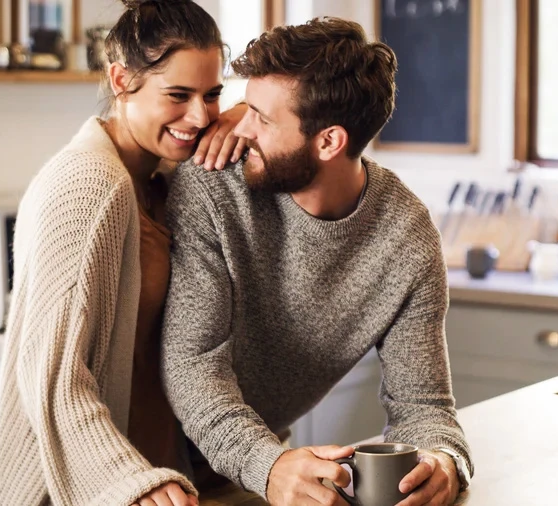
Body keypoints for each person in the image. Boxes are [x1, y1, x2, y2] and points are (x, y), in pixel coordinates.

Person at [161, 16, 473, 506]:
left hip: (244, 473)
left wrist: (443, 460)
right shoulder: (212, 184)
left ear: (329, 141)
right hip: (148, 464)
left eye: (261, 118)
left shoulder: (406, 239)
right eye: (246, 105)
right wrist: (268, 464)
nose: (236, 127)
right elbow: (193, 363)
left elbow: (423, 403)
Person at [0, 1, 248, 504]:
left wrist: (248, 118)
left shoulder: (162, 180)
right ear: (121, 80)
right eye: (178, 95)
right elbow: (52, 378)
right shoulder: (88, 186)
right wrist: (129, 480)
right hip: (63, 490)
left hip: (152, 481)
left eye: (213, 95)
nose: (200, 115)